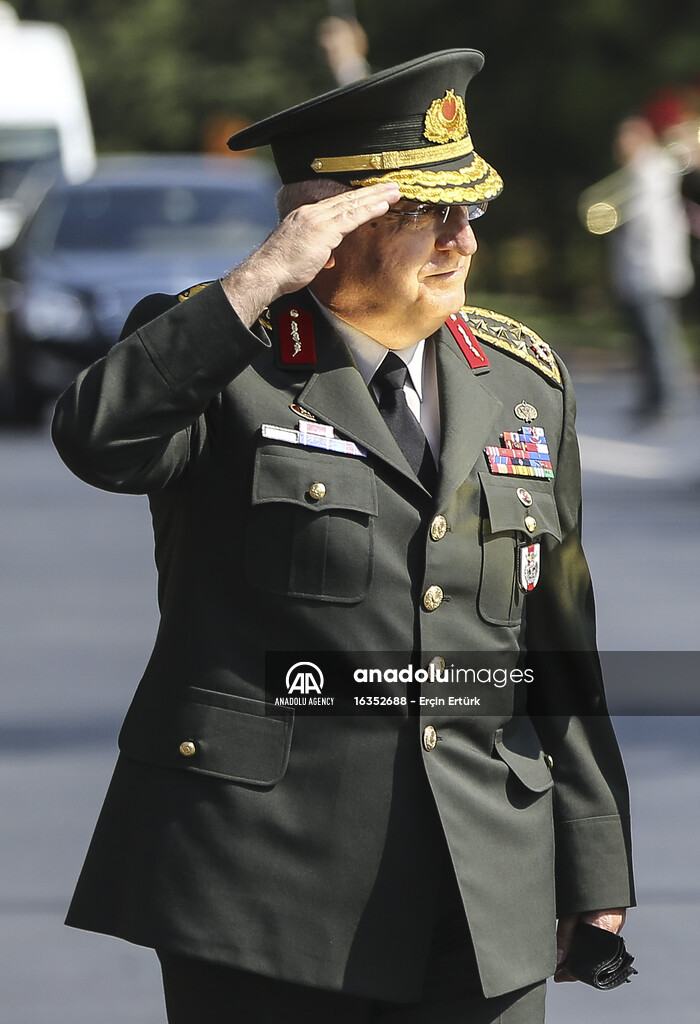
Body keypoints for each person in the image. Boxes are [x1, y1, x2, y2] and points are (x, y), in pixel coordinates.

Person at [52, 50, 634, 1024]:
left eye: (470, 213)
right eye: (426, 214)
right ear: (328, 226)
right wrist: (254, 284)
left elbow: (556, 648)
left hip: (482, 879)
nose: (461, 242)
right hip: (257, 885)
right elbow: (99, 439)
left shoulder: (523, 379)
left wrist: (594, 859)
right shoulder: (220, 356)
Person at [607, 115, 695, 425]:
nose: (619, 146)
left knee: (658, 339)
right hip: (643, 271)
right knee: (646, 340)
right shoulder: (640, 171)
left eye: (624, 140)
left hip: (653, 271)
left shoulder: (653, 170)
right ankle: (651, 400)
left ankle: (664, 403)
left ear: (639, 140)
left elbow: (648, 225)